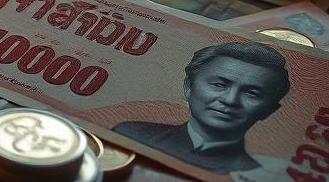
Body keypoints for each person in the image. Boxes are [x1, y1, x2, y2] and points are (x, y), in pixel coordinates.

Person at [114, 41, 290, 174]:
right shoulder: (131, 134)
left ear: (270, 109)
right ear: (188, 88)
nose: (230, 100)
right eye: (219, 85)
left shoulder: (253, 173)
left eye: (251, 93)